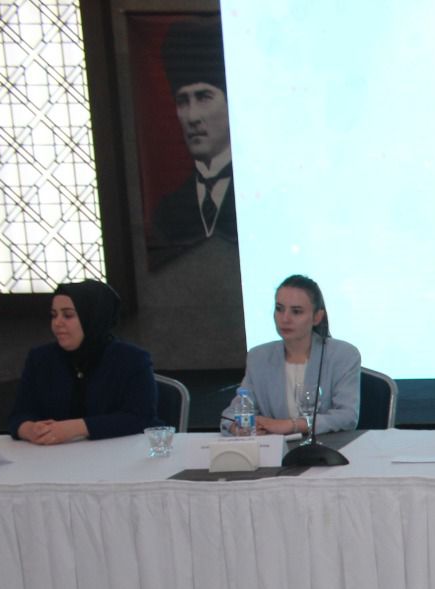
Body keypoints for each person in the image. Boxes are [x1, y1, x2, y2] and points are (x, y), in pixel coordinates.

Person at [9, 280, 157, 444]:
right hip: (53, 455)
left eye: (68, 315)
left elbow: (141, 418)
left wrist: (77, 428)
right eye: (54, 315)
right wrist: (29, 429)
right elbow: (18, 415)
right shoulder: (40, 359)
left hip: (117, 452)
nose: (57, 323)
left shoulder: (132, 359)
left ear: (93, 317)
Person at [223, 275, 361, 435]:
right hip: (273, 447)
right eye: (279, 309)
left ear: (317, 317)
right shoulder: (258, 357)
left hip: (327, 446)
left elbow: (347, 416)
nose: (285, 318)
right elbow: (232, 414)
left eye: (296, 311)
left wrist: (291, 425)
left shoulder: (343, 355)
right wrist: (239, 429)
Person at [148, 17, 237, 261]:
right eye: (182, 101)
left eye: (203, 97)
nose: (192, 117)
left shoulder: (260, 196)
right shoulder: (166, 212)